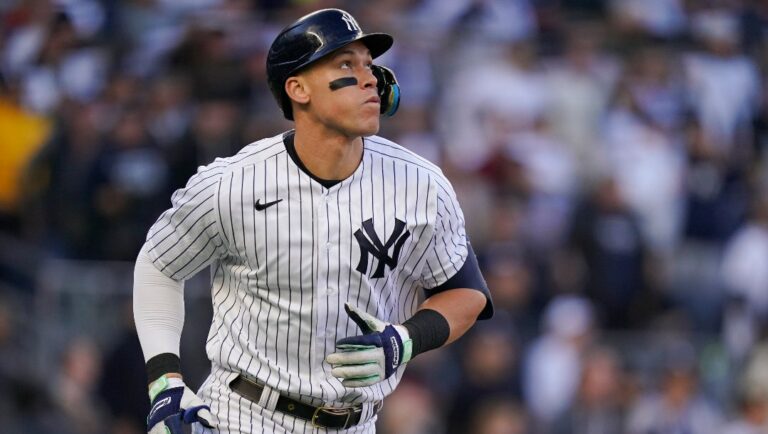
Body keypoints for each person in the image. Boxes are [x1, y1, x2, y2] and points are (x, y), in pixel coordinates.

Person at [132, 8, 493, 434]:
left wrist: (405, 340)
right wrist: (165, 382)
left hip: (357, 424)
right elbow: (159, 265)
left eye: (369, 66)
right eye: (346, 65)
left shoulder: (422, 184)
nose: (369, 79)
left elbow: (467, 292)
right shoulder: (230, 183)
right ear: (298, 88)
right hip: (243, 415)